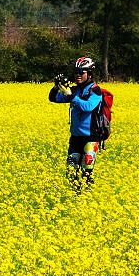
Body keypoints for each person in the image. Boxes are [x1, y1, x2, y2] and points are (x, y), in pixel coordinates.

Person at [48, 57, 104, 192]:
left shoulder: (95, 91)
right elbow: (54, 98)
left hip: (91, 137)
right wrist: (57, 87)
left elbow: (88, 106)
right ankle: (75, 195)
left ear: (89, 73)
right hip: (75, 137)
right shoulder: (75, 90)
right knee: (71, 171)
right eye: (76, 72)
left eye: (81, 72)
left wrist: (71, 96)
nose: (78, 75)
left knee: (86, 171)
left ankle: (86, 195)